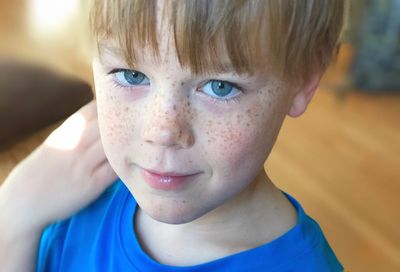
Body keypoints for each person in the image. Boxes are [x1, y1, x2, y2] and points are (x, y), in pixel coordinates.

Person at [0, 0, 347, 271]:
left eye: (220, 86)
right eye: (132, 75)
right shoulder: (67, 195)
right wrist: (15, 213)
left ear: (303, 83)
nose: (162, 132)